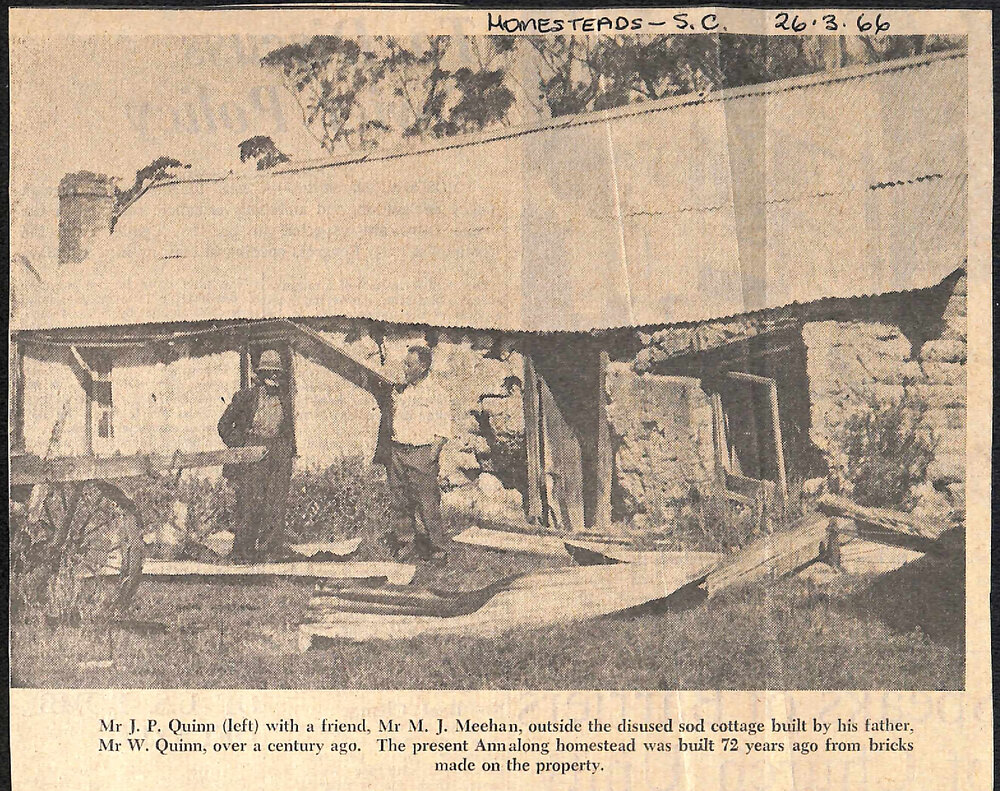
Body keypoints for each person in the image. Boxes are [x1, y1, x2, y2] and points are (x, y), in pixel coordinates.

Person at [218, 349, 295, 563]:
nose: (273, 377)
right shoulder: (246, 397)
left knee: (275, 503)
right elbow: (224, 425)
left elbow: (289, 430)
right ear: (260, 375)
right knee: (250, 501)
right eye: (268, 373)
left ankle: (270, 551)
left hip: (278, 453)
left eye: (276, 373)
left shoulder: (285, 399)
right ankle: (243, 551)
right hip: (253, 452)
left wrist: (289, 454)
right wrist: (241, 444)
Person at [379, 344, 451, 563]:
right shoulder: (403, 392)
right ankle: (406, 543)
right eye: (404, 363)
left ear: (423, 366)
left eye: (409, 365)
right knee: (400, 500)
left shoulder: (437, 394)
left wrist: (431, 457)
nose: (404, 368)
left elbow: (443, 430)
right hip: (398, 451)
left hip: (421, 453)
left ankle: (438, 548)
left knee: (427, 502)